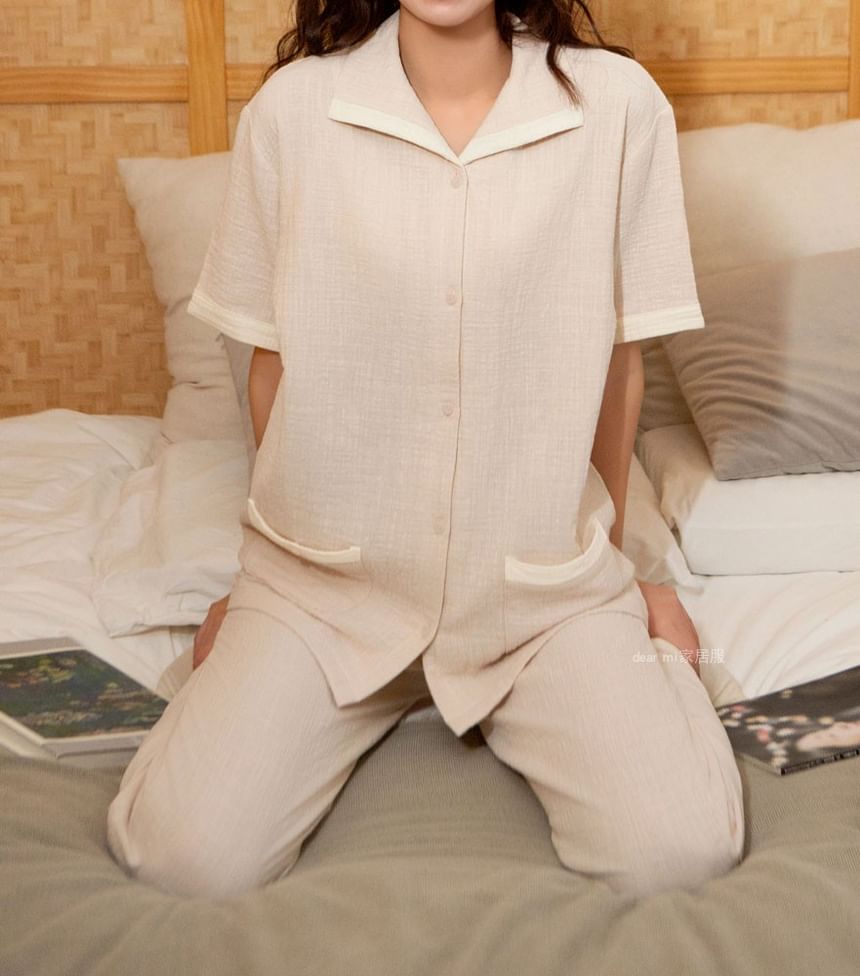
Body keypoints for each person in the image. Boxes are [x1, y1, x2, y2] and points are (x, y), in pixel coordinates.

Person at [106, 0, 745, 902]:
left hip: (542, 598)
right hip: (322, 594)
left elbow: (617, 373)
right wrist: (260, 582)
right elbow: (269, 372)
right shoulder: (292, 111)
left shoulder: (619, 106)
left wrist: (614, 570)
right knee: (181, 858)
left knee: (680, 852)